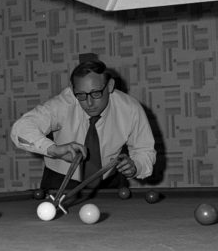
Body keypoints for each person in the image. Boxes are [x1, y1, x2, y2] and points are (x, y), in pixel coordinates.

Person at [10, 58, 156, 199]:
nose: (89, 102)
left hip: (109, 184)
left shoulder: (130, 109)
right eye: (81, 95)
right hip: (59, 182)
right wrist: (54, 150)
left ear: (110, 86)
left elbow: (144, 150)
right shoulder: (63, 104)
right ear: (73, 90)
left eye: (96, 93)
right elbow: (20, 130)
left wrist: (135, 166)